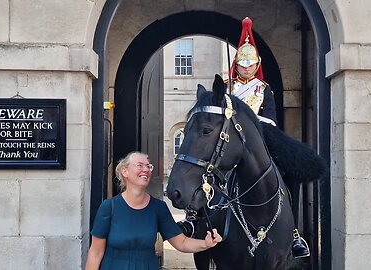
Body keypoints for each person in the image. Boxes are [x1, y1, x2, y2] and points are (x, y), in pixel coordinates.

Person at [177, 17, 311, 259]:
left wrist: (250, 127)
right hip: (230, 140)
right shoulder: (228, 87)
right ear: (236, 64)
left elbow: (270, 118)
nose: (246, 68)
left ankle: (293, 233)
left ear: (257, 64)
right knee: (210, 172)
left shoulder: (264, 88)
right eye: (242, 63)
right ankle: (193, 218)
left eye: (250, 64)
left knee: (284, 173)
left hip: (259, 138)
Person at [86, 151, 222, 270]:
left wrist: (205, 243)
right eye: (139, 165)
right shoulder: (109, 207)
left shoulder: (158, 208)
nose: (146, 169)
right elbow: (95, 252)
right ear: (124, 171)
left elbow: (181, 242)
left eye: (148, 166)